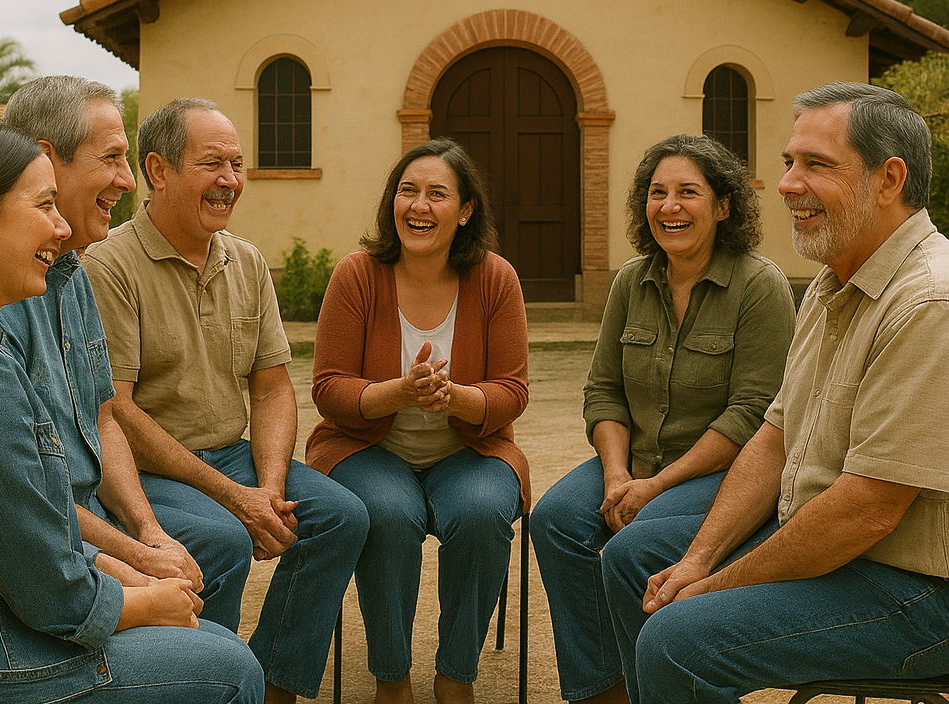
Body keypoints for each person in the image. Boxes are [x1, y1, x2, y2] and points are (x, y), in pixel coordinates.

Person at [602, 82, 949, 704]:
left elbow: (867, 509)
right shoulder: (832, 280)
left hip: (916, 587)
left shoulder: (930, 301)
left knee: (678, 639)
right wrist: (698, 559)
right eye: (790, 162)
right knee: (634, 556)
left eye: (815, 165)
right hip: (841, 547)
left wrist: (717, 584)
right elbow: (774, 433)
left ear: (888, 179)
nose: (787, 183)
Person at [0, 114, 264, 704]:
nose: (60, 226)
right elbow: (51, 593)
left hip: (3, 626)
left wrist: (135, 567)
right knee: (230, 667)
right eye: (44, 205)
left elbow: (31, 528)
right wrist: (147, 599)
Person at [83, 97, 369, 704]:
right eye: (214, 164)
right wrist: (236, 501)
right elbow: (120, 412)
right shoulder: (109, 265)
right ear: (157, 171)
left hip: (236, 460)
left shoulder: (247, 259)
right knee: (226, 537)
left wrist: (266, 488)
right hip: (157, 470)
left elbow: (271, 386)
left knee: (342, 517)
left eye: (238, 165)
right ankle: (206, 681)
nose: (231, 182)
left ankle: (268, 685)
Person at [531, 134, 795, 704]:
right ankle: (603, 690)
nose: (669, 206)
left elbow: (753, 415)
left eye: (687, 193)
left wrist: (654, 486)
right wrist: (617, 474)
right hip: (634, 464)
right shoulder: (632, 280)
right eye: (657, 193)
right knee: (555, 521)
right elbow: (603, 391)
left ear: (724, 206)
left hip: (715, 474)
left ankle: (655, 685)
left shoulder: (760, 285)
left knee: (639, 541)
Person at [0, 76, 250, 626]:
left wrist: (148, 529)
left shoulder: (72, 273)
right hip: (53, 546)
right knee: (229, 666)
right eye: (113, 157)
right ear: (46, 160)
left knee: (232, 547)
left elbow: (104, 413)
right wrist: (139, 561)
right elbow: (28, 497)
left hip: (90, 514)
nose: (130, 180)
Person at [306, 137, 529, 704]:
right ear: (392, 202)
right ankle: (392, 679)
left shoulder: (496, 278)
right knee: (385, 513)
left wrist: (454, 398)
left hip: (469, 451)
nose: (419, 206)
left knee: (482, 512)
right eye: (408, 191)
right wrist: (399, 393)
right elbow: (329, 390)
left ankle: (456, 678)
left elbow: (512, 391)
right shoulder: (357, 275)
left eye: (437, 194)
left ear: (465, 211)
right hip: (365, 449)